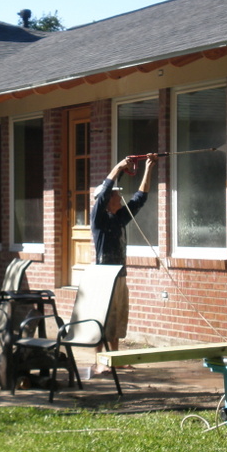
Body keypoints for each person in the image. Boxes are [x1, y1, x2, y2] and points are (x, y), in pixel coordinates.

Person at [90, 153, 157, 374]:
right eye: (115, 196)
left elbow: (140, 198)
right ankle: (100, 362)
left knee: (117, 318)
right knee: (102, 319)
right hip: (102, 278)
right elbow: (106, 189)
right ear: (107, 201)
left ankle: (115, 359)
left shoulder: (120, 218)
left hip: (119, 276)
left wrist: (148, 168)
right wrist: (119, 166)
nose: (119, 198)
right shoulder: (99, 219)